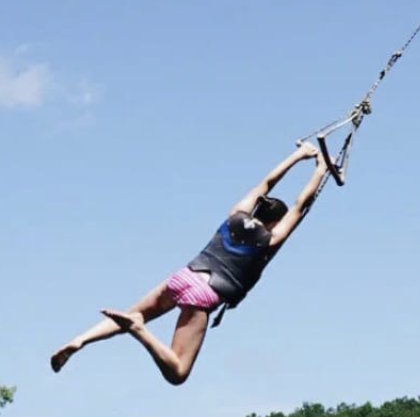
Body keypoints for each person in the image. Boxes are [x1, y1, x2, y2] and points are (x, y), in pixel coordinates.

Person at [50, 141, 329, 384]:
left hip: (184, 276)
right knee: (178, 373)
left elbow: (266, 183)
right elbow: (300, 204)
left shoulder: (236, 213)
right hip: (204, 294)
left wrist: (300, 155)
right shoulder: (270, 239)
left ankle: (80, 340)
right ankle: (138, 330)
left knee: (134, 311)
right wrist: (321, 169)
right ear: (274, 221)